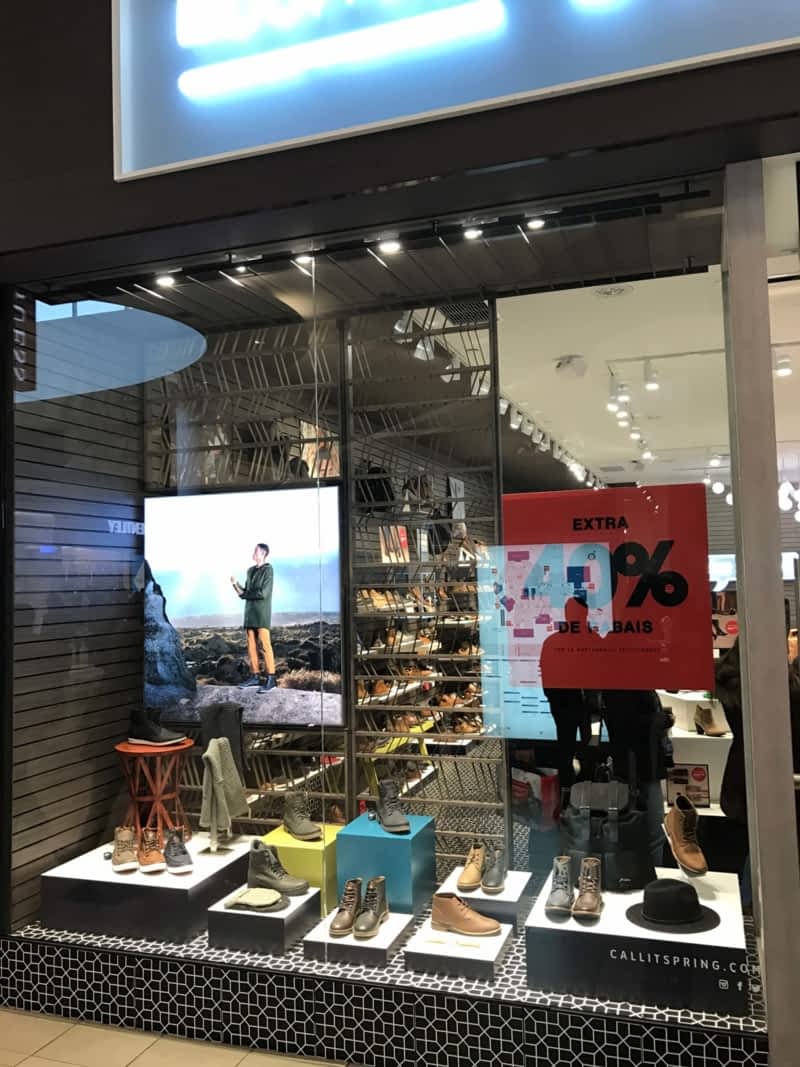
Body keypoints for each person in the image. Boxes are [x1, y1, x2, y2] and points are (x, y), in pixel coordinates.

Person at [716, 638, 800, 908]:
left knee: (759, 845)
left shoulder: (730, 682)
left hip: (742, 766)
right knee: (770, 846)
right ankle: (756, 906)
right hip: (775, 769)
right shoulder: (781, 688)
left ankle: (751, 905)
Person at [231, 543, 276, 694]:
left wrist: (245, 594)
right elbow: (245, 592)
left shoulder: (268, 570)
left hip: (261, 614)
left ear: (263, 554)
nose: (253, 553)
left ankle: (271, 678)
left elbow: (263, 593)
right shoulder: (250, 571)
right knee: (251, 647)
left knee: (265, 645)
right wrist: (235, 585)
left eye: (256, 551)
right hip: (249, 614)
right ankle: (255, 676)